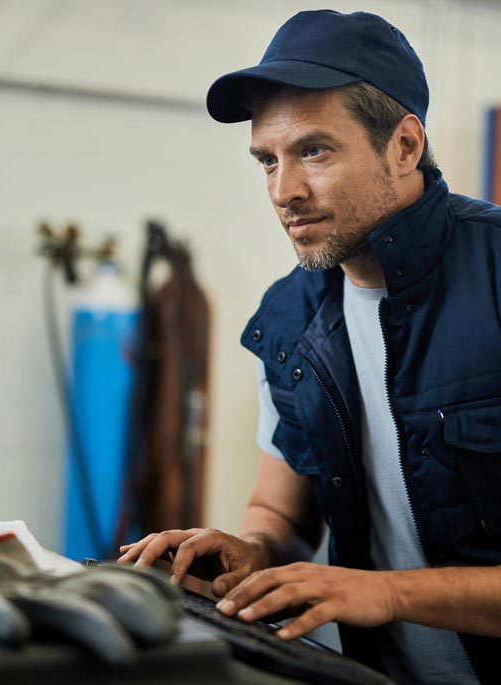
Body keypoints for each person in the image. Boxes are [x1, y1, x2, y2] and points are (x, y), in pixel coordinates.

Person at [118, 10, 501, 684]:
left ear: (405, 146)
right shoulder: (290, 317)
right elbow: (278, 513)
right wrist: (250, 549)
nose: (283, 191)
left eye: (315, 151)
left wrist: (384, 592)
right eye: (268, 158)